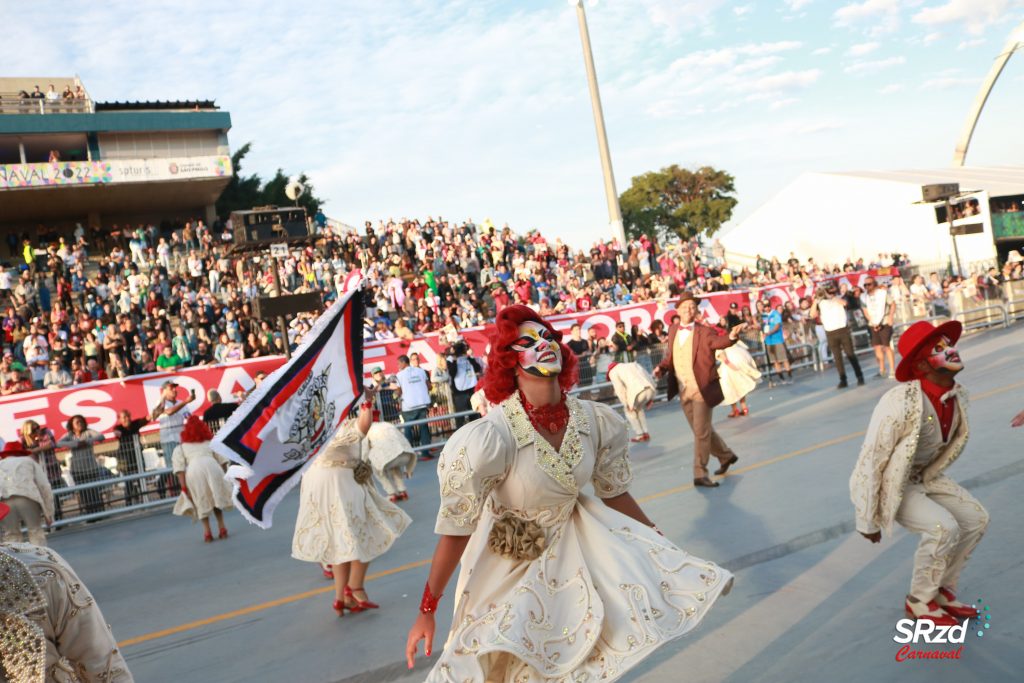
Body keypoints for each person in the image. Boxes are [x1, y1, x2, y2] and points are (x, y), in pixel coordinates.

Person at [405, 305, 732, 680]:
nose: (544, 345)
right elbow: (456, 529)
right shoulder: (492, 437)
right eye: (528, 342)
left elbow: (614, 493)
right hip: (511, 571)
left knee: (580, 662)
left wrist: (658, 541)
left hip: (579, 556)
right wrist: (426, 610)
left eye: (547, 337)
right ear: (510, 362)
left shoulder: (593, 420)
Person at [850, 320, 986, 626]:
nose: (952, 351)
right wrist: (866, 517)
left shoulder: (958, 395)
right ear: (923, 365)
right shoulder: (900, 401)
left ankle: (940, 589)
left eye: (948, 345)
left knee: (976, 520)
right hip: (893, 484)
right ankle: (919, 600)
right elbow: (871, 460)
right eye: (939, 349)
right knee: (943, 527)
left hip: (925, 478)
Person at [292, 387, 411, 615]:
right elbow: (362, 428)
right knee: (367, 531)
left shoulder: (308, 431)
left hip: (318, 484)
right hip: (340, 482)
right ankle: (355, 588)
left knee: (340, 540)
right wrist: (366, 402)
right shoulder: (337, 427)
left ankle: (340, 597)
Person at [0, 511, 135, 682]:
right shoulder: (43, 570)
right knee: (35, 531)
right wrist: (47, 509)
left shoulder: (43, 571)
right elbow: (99, 660)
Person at [653, 293, 746, 488]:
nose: (689, 310)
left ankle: (700, 473)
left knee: (700, 433)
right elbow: (671, 357)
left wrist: (731, 336)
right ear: (677, 310)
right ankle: (726, 455)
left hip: (702, 388)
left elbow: (719, 342)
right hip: (683, 388)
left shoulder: (704, 332)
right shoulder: (672, 330)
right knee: (700, 430)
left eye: (693, 307)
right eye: (685, 306)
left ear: (697, 311)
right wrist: (661, 368)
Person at [171, 416, 233, 543]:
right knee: (215, 497)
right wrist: (225, 477)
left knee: (201, 500)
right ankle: (222, 528)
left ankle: (207, 532)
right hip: (212, 466)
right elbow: (223, 461)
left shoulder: (181, 448)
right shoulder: (210, 443)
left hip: (194, 470)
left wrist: (184, 488)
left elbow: (180, 470)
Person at [811, 284, 865, 389]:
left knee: (850, 354)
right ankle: (843, 379)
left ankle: (859, 376)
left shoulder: (838, 298)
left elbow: (845, 303)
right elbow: (812, 315)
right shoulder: (821, 302)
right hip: (830, 332)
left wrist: (832, 296)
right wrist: (815, 300)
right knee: (837, 358)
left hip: (842, 330)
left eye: (830, 291)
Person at [0, 441, 54, 545]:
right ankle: (40, 559)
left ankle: (14, 560)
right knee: (35, 531)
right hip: (27, 497)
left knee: (11, 535)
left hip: (4, 499)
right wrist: (49, 512)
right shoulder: (29, 461)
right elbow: (44, 486)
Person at [57, 415, 109, 516]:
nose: (80, 423)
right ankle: (90, 514)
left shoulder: (88, 432)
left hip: (91, 467)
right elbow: (58, 443)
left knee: (94, 491)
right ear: (72, 425)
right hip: (77, 469)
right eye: (77, 422)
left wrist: (87, 441)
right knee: (84, 494)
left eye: (81, 421)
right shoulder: (69, 435)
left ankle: (99, 513)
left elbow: (101, 437)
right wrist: (76, 444)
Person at [363, 418, 417, 502]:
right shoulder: (387, 424)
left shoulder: (367, 431)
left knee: (375, 468)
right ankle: (402, 491)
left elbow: (364, 451)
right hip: (406, 454)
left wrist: (362, 463)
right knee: (394, 466)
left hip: (390, 458)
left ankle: (391, 493)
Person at [607, 361, 656, 442]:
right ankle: (645, 432)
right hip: (649, 388)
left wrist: (626, 404)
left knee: (629, 411)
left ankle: (639, 434)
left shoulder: (612, 372)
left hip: (637, 392)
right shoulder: (632, 364)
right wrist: (652, 397)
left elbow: (619, 389)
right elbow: (647, 375)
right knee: (639, 409)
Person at [392, 354, 432, 457]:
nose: (397, 365)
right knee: (424, 428)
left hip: (408, 406)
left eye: (398, 363)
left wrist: (396, 392)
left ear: (403, 362)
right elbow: (429, 386)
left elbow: (398, 391)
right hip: (422, 403)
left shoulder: (399, 375)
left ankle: (409, 454)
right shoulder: (421, 371)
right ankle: (425, 453)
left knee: (408, 430)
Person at [860, 276, 897, 379]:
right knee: (877, 347)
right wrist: (872, 321)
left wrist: (890, 317)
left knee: (886, 346)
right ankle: (882, 370)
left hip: (884, 321)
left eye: (869, 284)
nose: (867, 286)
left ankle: (892, 369)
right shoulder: (864, 297)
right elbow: (865, 310)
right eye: (865, 285)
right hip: (873, 323)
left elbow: (893, 304)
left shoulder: (883, 293)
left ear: (874, 284)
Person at [112, 409, 150, 507]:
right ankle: (129, 504)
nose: (126, 419)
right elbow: (116, 432)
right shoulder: (118, 428)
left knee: (141, 479)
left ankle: (145, 501)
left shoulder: (135, 424)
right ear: (119, 420)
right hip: (125, 458)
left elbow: (147, 419)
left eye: (127, 416)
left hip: (137, 456)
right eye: (123, 417)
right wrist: (117, 433)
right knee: (128, 482)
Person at [716, 339, 761, 418]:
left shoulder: (719, 342)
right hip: (737, 364)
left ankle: (734, 409)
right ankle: (744, 407)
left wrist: (729, 364)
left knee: (730, 389)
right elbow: (744, 348)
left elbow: (722, 355)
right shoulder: (732, 340)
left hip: (728, 368)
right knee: (740, 386)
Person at [447, 341, 482, 427]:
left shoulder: (469, 359)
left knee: (475, 414)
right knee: (460, 417)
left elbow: (478, 368)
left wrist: (470, 357)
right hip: (459, 393)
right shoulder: (451, 361)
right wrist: (455, 360)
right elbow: (452, 373)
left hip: (471, 390)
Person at [761, 301, 792, 383]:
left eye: (768, 306)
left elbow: (777, 325)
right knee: (775, 361)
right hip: (768, 341)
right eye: (765, 306)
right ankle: (782, 378)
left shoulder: (775, 314)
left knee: (784, 359)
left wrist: (769, 333)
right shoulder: (763, 315)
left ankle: (790, 376)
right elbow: (764, 326)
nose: (767, 308)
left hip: (777, 339)